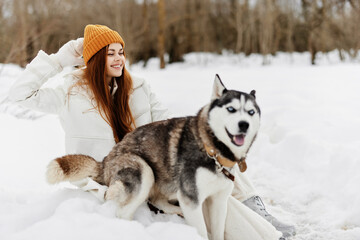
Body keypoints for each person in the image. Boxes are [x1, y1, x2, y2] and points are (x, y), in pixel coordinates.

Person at [8, 24, 294, 239]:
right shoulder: (69, 92)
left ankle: (256, 209)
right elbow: (18, 95)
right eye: (110, 54)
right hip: (122, 173)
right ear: (94, 59)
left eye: (121, 52)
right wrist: (58, 60)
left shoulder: (139, 87)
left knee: (213, 159)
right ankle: (263, 231)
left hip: (155, 163)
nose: (119, 59)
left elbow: (169, 127)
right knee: (203, 192)